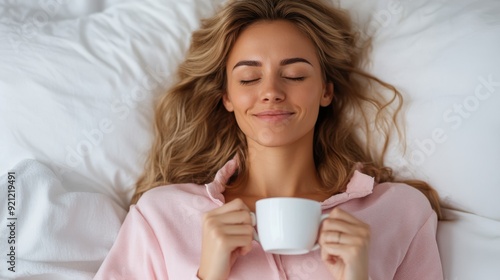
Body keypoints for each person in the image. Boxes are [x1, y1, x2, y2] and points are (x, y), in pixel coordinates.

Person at [95, 0, 443, 279]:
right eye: (248, 78)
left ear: (325, 90)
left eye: (294, 75)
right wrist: (208, 275)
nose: (271, 92)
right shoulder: (161, 215)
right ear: (227, 97)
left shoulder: (400, 211)